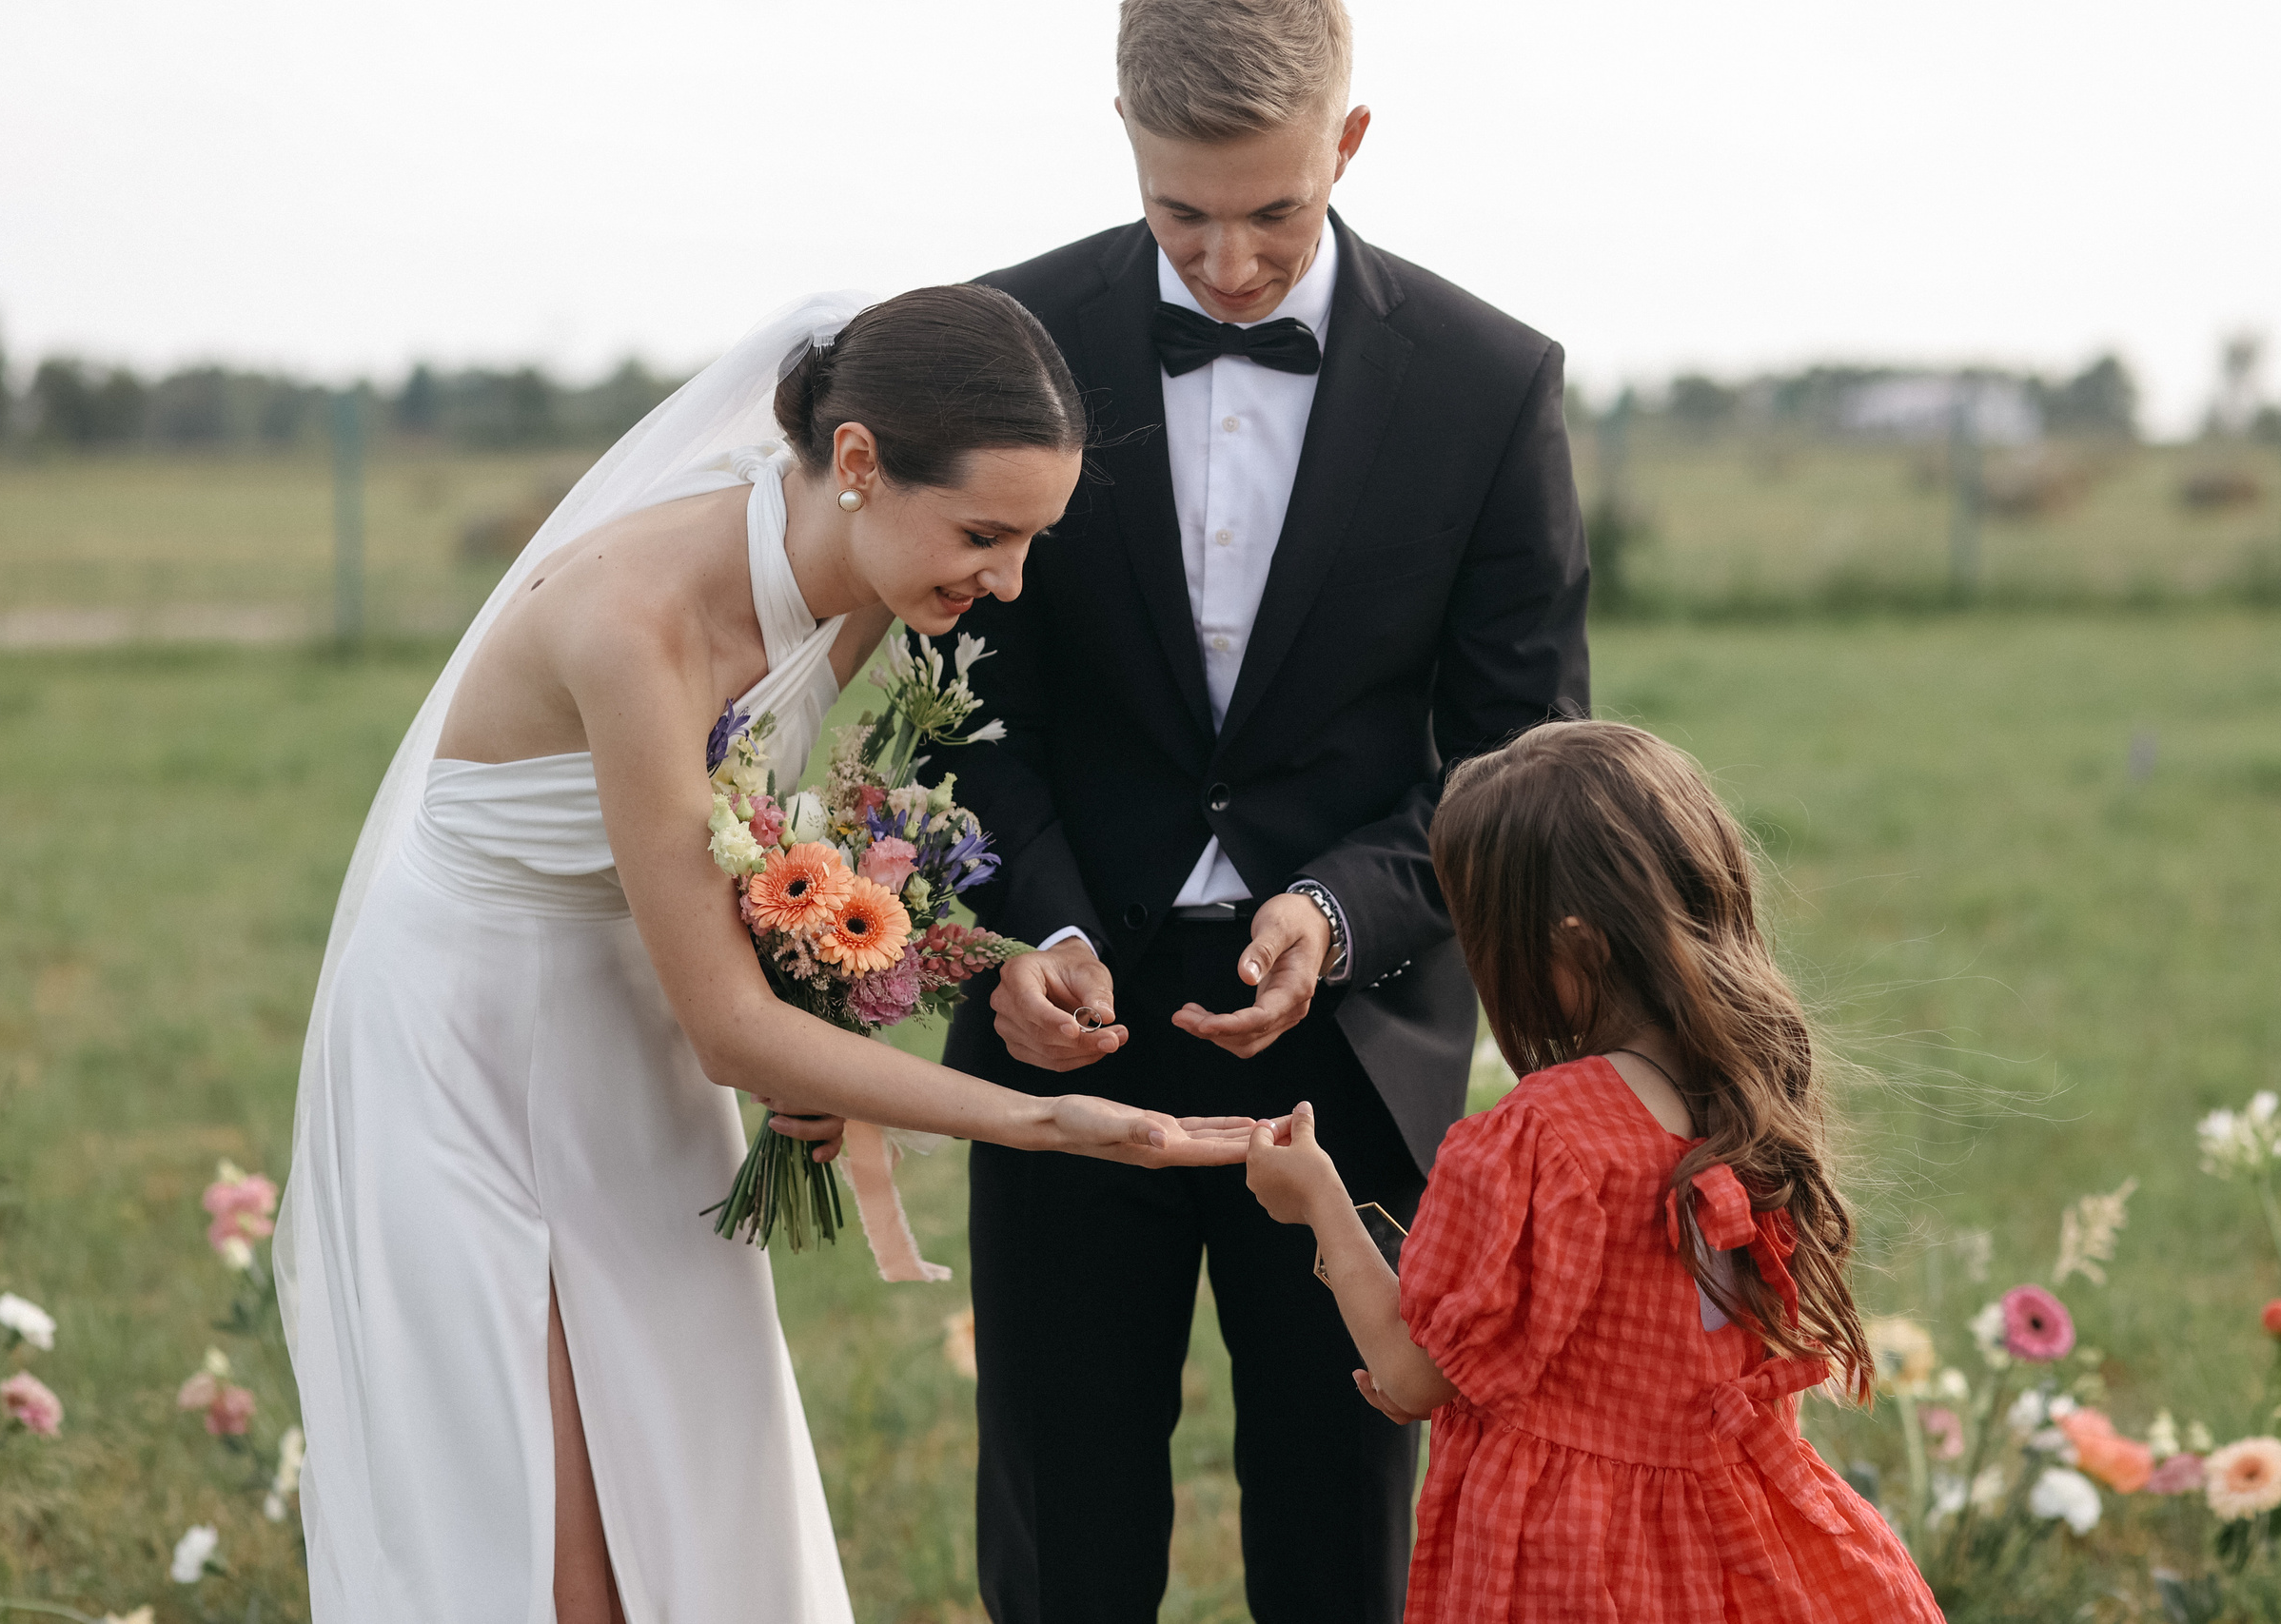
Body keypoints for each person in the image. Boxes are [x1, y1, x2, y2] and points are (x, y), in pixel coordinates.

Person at [272, 285, 1252, 1624]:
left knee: (683, 1452)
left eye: (1032, 538)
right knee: (539, 1526)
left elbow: (753, 849)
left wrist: (980, 960)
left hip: (634, 1008)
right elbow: (732, 1028)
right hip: (461, 1036)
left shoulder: (864, 586)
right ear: (857, 463)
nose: (1009, 580)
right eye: (984, 532)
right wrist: (1042, 1118)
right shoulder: (636, 623)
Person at [943, 2, 1589, 1618]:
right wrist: (1042, 930)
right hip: (1060, 1024)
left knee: (1343, 1519)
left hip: (1358, 1049)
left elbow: (1523, 752)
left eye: (1274, 214)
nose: (1228, 265)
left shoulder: (1491, 384)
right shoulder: (1002, 342)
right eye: (1183, 216)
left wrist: (1348, 908)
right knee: (1062, 1510)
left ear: (1349, 145)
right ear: (1124, 140)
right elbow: (952, 714)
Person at [1243, 720, 1945, 1623]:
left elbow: (1415, 1375)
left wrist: (1318, 1199)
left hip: (1567, 1560)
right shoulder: (1742, 1092)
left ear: (1572, 945)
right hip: (1713, 1545)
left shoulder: (1538, 1138)